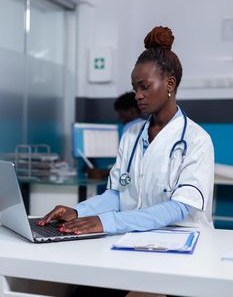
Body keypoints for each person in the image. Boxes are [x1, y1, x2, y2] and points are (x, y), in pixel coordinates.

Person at [37, 26, 214, 296]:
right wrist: (79, 212)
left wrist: (107, 222)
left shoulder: (196, 139)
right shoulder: (132, 134)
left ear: (170, 84)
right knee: (81, 290)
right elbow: (117, 194)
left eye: (145, 87)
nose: (138, 95)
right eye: (135, 88)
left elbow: (178, 208)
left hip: (181, 247)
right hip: (134, 242)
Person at [87, 91, 143, 179]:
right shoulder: (146, 125)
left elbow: (129, 164)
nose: (120, 119)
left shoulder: (130, 129)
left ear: (132, 111)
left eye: (121, 115)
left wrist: (102, 173)